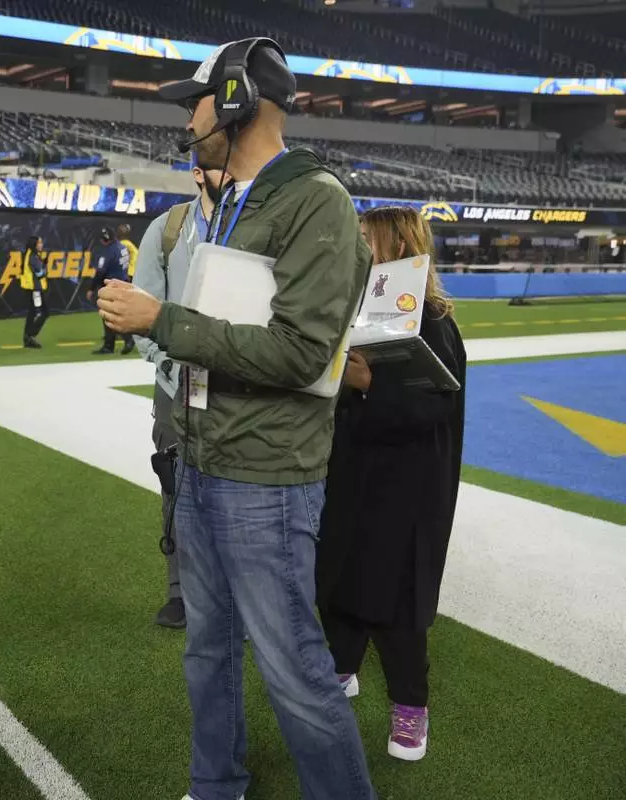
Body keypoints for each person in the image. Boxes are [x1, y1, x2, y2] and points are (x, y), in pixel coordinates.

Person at [97, 38, 377, 800]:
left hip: (267, 479)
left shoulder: (316, 198)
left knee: (294, 670)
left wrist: (163, 319)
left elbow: (300, 354)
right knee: (207, 653)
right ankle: (215, 784)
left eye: (194, 100)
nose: (186, 118)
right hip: (201, 463)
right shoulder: (227, 202)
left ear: (233, 100)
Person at [316, 206, 467, 763]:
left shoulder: (431, 320)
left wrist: (364, 382)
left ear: (394, 243)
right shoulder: (360, 308)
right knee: (338, 575)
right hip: (354, 471)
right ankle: (343, 665)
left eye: (365, 240)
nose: (357, 250)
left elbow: (429, 413)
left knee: (397, 600)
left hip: (406, 486)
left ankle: (411, 708)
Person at [132, 164, 226, 630]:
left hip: (239, 385)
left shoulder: (252, 225)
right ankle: (180, 593)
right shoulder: (166, 231)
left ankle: (232, 597)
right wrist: (174, 363)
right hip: (177, 384)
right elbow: (141, 312)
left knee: (237, 492)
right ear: (196, 173)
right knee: (176, 488)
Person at [88, 227, 134, 356]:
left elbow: (100, 272)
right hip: (123, 283)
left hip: (111, 286)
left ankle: (118, 342)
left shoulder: (108, 252)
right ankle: (124, 340)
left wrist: (91, 288)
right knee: (117, 315)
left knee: (109, 316)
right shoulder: (122, 247)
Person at [20, 235, 49, 349]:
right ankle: (30, 336)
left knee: (32, 313)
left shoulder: (28, 254)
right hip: (35, 289)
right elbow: (40, 274)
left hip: (30, 288)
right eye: (39, 243)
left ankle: (28, 338)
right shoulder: (33, 257)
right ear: (34, 245)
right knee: (45, 312)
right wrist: (45, 266)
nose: (41, 245)